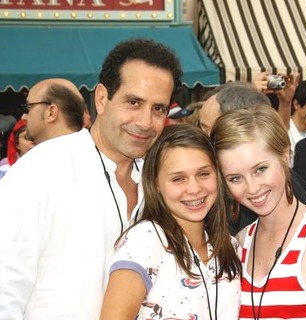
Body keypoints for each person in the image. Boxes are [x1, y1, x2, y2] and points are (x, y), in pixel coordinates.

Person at [0, 38, 182, 319]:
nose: (146, 122)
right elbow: (5, 290)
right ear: (101, 98)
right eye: (133, 102)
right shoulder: (41, 171)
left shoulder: (160, 184)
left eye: (158, 108)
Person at [100, 124, 242, 320]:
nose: (194, 188)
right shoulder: (145, 240)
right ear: (155, 184)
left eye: (203, 174)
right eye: (178, 179)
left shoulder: (232, 248)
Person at [210, 104, 306, 319]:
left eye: (260, 169)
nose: (252, 188)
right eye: (235, 178)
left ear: (286, 155)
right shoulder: (238, 244)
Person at [23, 78, 86, 145]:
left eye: (28, 108)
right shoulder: (91, 152)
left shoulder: (38, 155)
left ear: (51, 113)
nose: (23, 117)